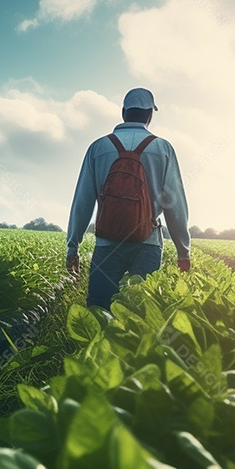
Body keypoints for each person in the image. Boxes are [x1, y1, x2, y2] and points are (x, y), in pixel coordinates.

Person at [66, 88, 191, 309]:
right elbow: (175, 204)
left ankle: (98, 342)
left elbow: (82, 201)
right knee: (141, 311)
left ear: (124, 112)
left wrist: (73, 246)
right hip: (148, 241)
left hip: (107, 242)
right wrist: (183, 252)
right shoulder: (162, 148)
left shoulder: (98, 147)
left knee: (98, 308)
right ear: (149, 115)